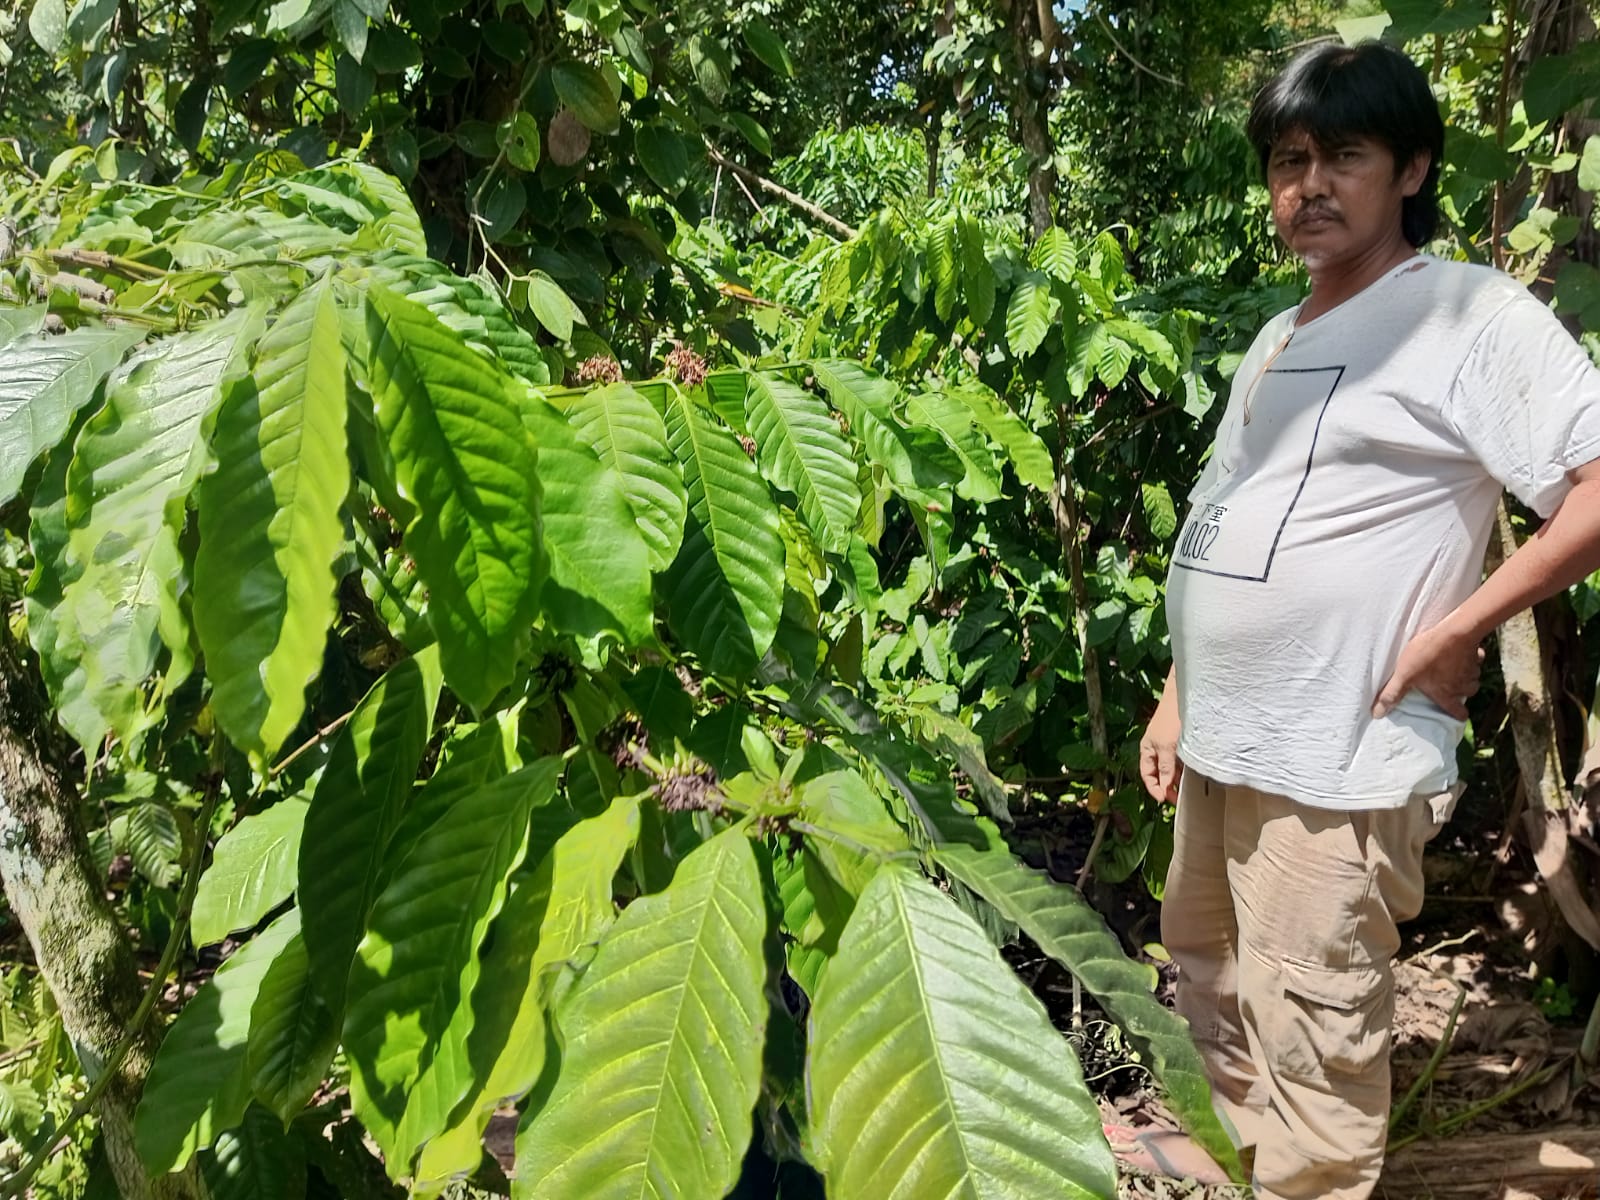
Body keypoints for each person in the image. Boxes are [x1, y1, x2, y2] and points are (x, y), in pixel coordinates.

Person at [1130, 39, 1600, 1200]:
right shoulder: (1276, 337)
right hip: (1224, 734)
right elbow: (1223, 517)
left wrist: (1461, 630)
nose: (1310, 185)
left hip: (1337, 746)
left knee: (1315, 996)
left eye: (1344, 154)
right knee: (1212, 964)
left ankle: (1310, 1184)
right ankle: (1237, 1153)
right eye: (1289, 161)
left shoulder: (1465, 315)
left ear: (1412, 169)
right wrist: (1176, 691)